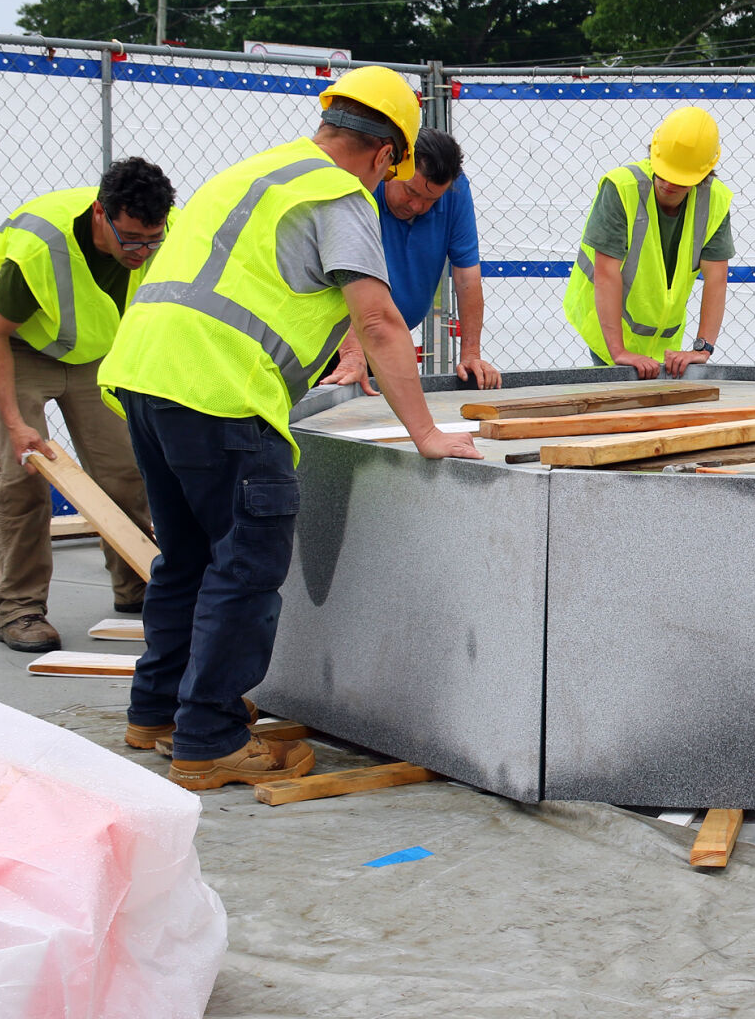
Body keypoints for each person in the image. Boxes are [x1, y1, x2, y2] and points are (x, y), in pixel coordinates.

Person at [98, 66, 482, 791]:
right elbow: (378, 318)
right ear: (383, 155)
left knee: (185, 558)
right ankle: (208, 740)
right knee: (244, 566)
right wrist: (429, 434)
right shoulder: (338, 194)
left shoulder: (255, 171)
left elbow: (267, 286)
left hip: (146, 380)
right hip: (221, 395)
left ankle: (156, 712)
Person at [0, 157, 175, 652]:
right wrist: (13, 423)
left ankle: (137, 585)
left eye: (153, 240)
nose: (143, 252)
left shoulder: (166, 231)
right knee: (24, 477)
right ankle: (20, 609)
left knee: (125, 469)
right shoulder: (41, 248)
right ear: (102, 214)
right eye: (131, 240)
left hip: (93, 350)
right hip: (19, 347)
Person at [320, 127, 501, 394]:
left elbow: (467, 277)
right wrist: (352, 352)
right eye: (410, 192)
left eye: (431, 200)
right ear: (393, 166)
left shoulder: (457, 191)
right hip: (327, 340)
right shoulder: (360, 185)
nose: (417, 206)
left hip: (385, 339)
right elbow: (342, 280)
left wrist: (471, 353)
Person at [563, 105, 735, 378]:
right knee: (619, 412)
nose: (668, 183)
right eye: (664, 172)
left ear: (704, 172)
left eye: (680, 179)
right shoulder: (621, 188)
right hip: (608, 331)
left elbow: (717, 277)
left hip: (663, 340)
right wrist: (618, 351)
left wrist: (702, 348)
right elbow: (606, 272)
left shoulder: (714, 201)